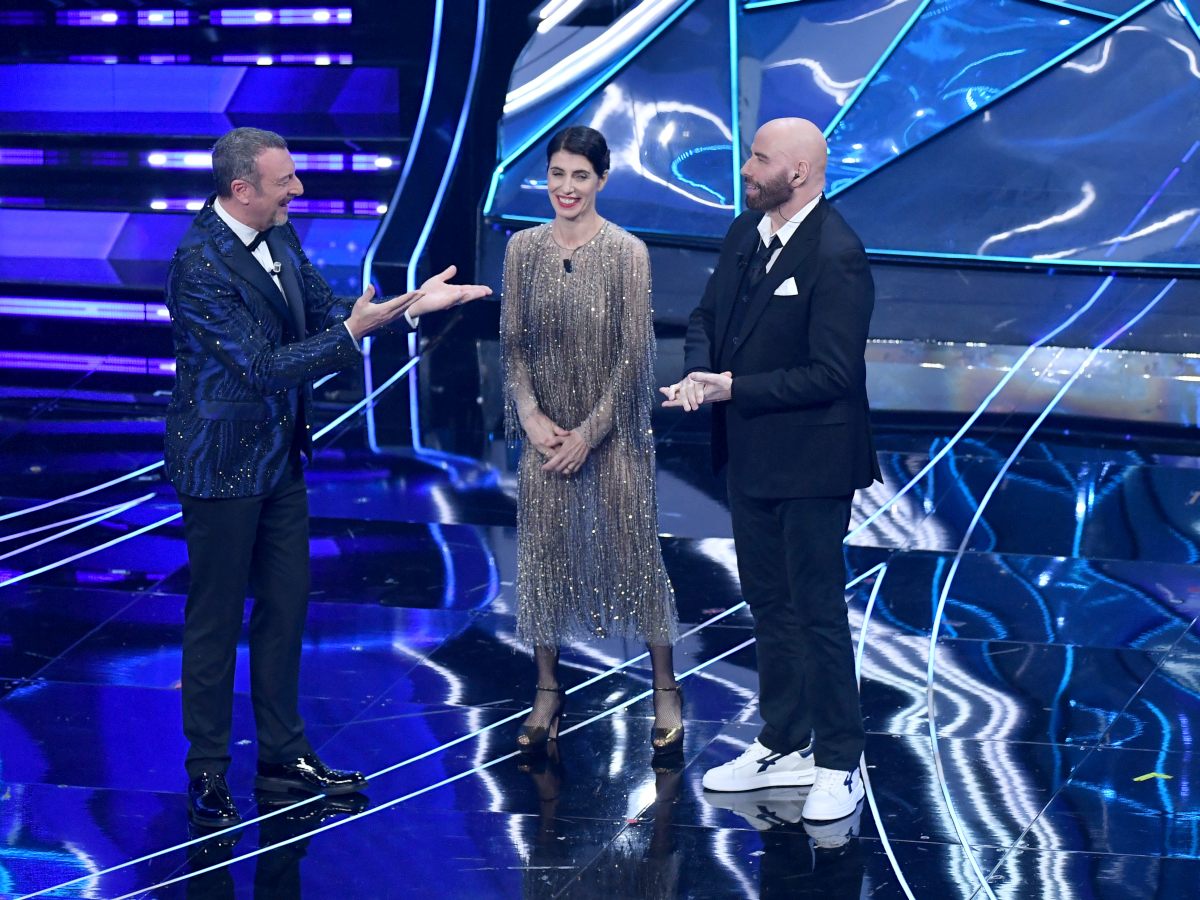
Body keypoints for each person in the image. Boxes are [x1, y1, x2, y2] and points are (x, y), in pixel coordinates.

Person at [165, 126, 491, 828]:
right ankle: (208, 769)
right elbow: (262, 368)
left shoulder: (279, 235)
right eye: (285, 180)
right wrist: (352, 335)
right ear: (241, 189)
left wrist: (410, 307)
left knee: (286, 609)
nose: (299, 189)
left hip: (279, 457)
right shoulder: (199, 263)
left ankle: (282, 758)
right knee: (217, 619)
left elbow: (331, 315)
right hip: (220, 465)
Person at [661, 117, 880, 822]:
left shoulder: (837, 253)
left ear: (799, 173)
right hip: (751, 457)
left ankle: (840, 760)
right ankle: (785, 741)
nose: (746, 169)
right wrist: (699, 373)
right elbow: (706, 317)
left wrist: (733, 387)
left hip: (814, 463)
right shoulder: (744, 233)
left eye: (758, 159)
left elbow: (834, 374)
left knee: (817, 611)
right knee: (768, 604)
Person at [500, 125, 682, 757]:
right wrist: (529, 414)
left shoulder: (628, 252)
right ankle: (547, 690)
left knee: (636, 554)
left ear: (602, 179)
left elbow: (634, 357)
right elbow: (512, 344)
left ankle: (666, 689)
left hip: (614, 433)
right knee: (542, 556)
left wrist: (590, 433)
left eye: (580, 175)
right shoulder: (523, 249)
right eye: (557, 173)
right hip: (545, 433)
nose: (567, 187)